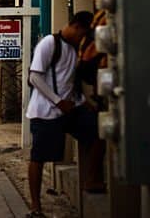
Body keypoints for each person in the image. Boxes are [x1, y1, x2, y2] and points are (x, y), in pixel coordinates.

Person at [25, 11, 100, 217]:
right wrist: (58, 101)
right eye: (82, 33)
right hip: (45, 112)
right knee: (38, 158)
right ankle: (35, 206)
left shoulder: (75, 48)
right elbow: (34, 77)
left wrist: (83, 103)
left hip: (70, 108)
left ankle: (92, 179)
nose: (82, 38)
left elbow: (70, 82)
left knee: (98, 132)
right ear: (75, 27)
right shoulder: (49, 44)